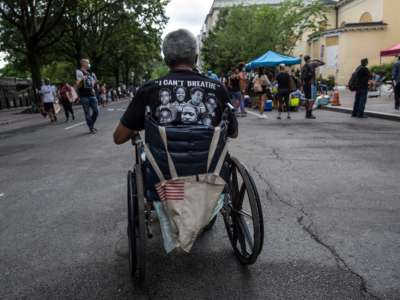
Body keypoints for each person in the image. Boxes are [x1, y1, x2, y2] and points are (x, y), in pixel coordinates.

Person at [113, 28, 238, 145]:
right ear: (195, 58)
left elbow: (119, 137)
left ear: (166, 60)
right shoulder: (218, 88)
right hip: (210, 165)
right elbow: (233, 133)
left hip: (162, 166)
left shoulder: (148, 90)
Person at [76, 58, 99, 134]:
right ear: (83, 64)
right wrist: (82, 79)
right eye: (88, 63)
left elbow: (92, 85)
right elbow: (78, 85)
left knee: (96, 111)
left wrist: (95, 80)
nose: (89, 64)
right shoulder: (79, 72)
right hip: (84, 96)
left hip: (92, 95)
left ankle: (91, 124)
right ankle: (91, 128)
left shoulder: (90, 73)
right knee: (87, 113)